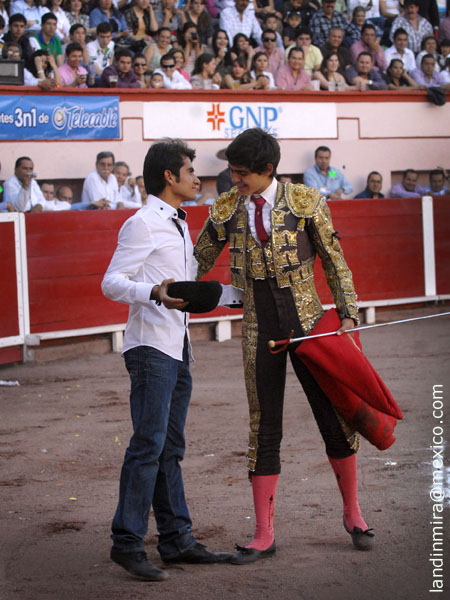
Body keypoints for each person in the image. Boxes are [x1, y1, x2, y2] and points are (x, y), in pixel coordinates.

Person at [194, 128, 371, 565]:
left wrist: (347, 312)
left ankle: (353, 512)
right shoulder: (227, 207)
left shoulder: (306, 201)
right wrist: (168, 289)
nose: (235, 181)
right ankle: (263, 532)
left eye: (241, 174)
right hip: (258, 325)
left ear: (266, 170)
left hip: (309, 323)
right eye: (233, 173)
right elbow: (195, 258)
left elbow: (334, 258)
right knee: (263, 423)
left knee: (333, 416)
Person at [101, 138, 233, 581]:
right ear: (169, 177)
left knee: (168, 448)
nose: (198, 177)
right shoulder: (142, 223)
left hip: (177, 347)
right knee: (148, 446)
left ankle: (176, 539)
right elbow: (111, 283)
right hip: (150, 348)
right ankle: (127, 542)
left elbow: (186, 289)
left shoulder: (178, 223)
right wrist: (153, 292)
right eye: (190, 170)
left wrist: (235, 297)